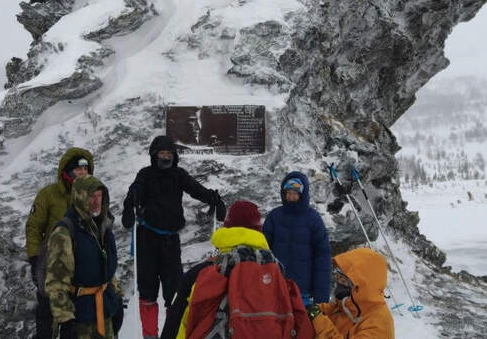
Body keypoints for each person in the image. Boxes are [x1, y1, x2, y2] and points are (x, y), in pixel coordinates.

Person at [121, 135, 226, 339]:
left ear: (174, 156)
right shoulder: (145, 175)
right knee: (148, 293)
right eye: (162, 153)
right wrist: (128, 207)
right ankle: (150, 336)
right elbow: (134, 193)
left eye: (169, 153)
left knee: (175, 294)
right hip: (147, 240)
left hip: (171, 241)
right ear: (154, 155)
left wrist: (214, 199)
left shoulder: (178, 175)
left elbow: (196, 189)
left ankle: (173, 334)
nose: (166, 157)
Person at [162, 200, 312, 339]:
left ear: (227, 228)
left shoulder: (202, 272)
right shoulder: (278, 272)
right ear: (259, 232)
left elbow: (174, 326)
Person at [26, 147, 94, 339]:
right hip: (51, 264)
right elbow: (33, 227)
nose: (82, 172)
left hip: (81, 267)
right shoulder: (48, 194)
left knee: (74, 323)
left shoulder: (92, 196)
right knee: (47, 319)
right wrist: (34, 258)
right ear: (67, 171)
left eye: (85, 169)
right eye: (78, 168)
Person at [45, 175, 122, 338]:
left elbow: (106, 270)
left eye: (99, 195)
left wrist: (117, 296)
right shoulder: (65, 233)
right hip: (80, 320)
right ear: (80, 197)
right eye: (91, 196)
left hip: (105, 312)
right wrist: (66, 320)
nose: (96, 201)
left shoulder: (104, 226)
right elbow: (56, 282)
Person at [263, 170, 331, 305]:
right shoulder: (275, 216)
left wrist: (321, 298)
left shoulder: (313, 218)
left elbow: (322, 257)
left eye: (295, 193)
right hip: (276, 286)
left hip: (303, 290)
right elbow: (264, 250)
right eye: (288, 193)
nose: (291, 197)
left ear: (302, 194)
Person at [306, 247, 394, 339]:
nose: (338, 282)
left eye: (343, 279)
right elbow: (333, 310)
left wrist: (320, 323)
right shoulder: (350, 305)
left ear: (359, 286)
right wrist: (312, 309)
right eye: (338, 276)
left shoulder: (379, 326)